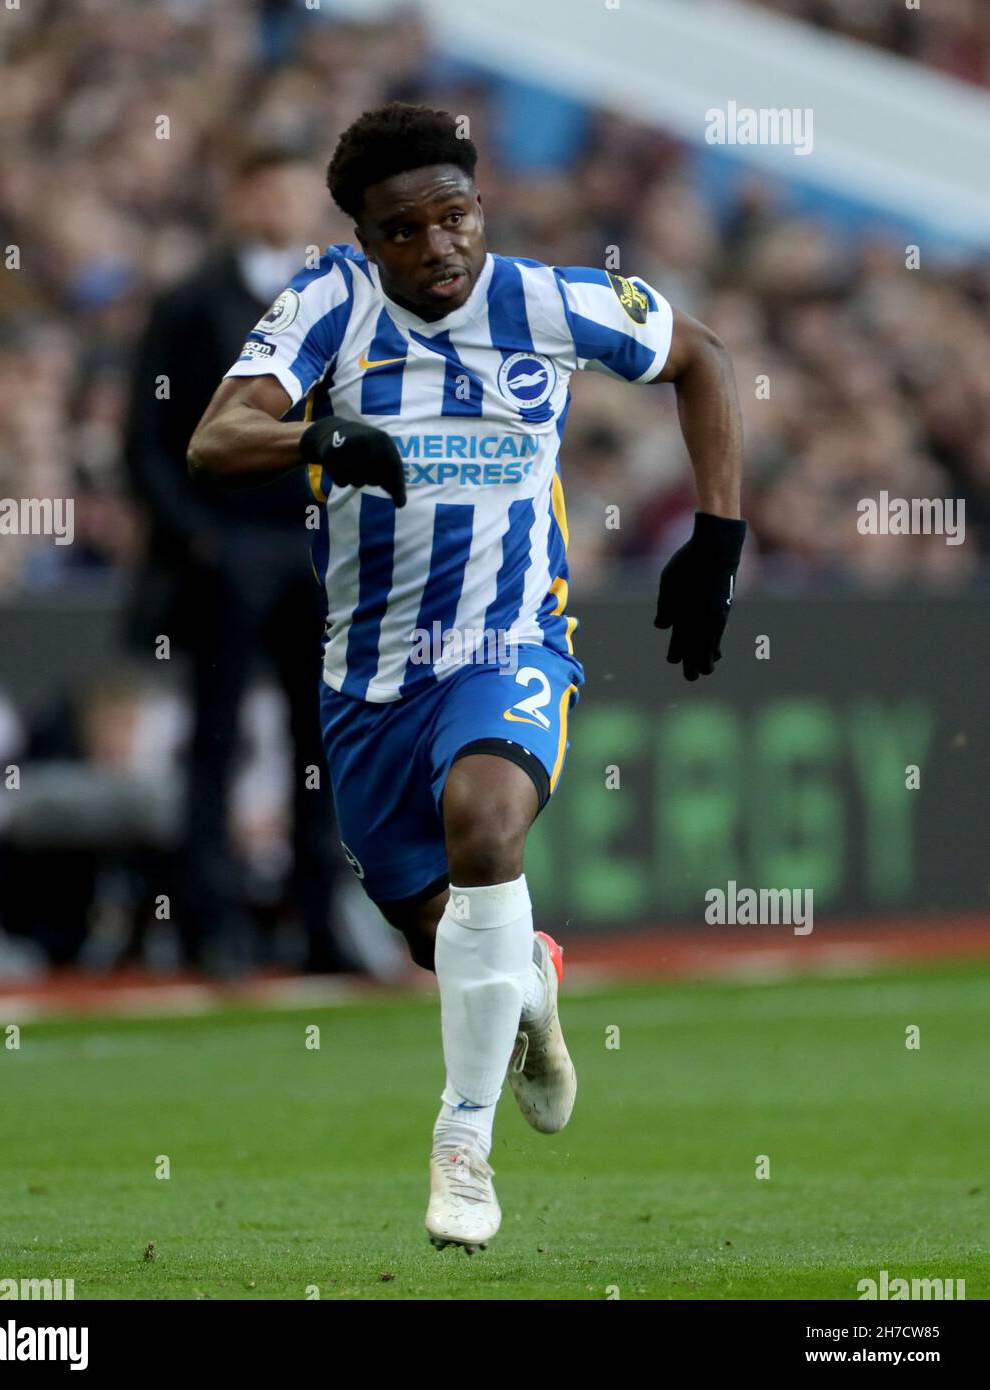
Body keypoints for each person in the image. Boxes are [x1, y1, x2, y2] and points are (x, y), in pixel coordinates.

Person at [187, 103, 746, 1250]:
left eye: (456, 216)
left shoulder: (545, 301)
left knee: (488, 827)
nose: (438, 245)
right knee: (443, 931)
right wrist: (320, 438)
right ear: (367, 238)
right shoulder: (328, 305)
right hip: (368, 683)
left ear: (479, 207)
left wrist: (718, 537)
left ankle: (462, 1143)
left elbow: (701, 355)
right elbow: (213, 439)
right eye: (406, 229)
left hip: (510, 647)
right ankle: (530, 982)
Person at [124, 142, 353, 975]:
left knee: (320, 742)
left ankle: (321, 923)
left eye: (296, 192)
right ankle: (211, 928)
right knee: (214, 742)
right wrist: (199, 539)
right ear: (239, 195)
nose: (283, 206)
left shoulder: (328, 303)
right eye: (270, 189)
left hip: (312, 543)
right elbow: (146, 442)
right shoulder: (192, 303)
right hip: (228, 548)